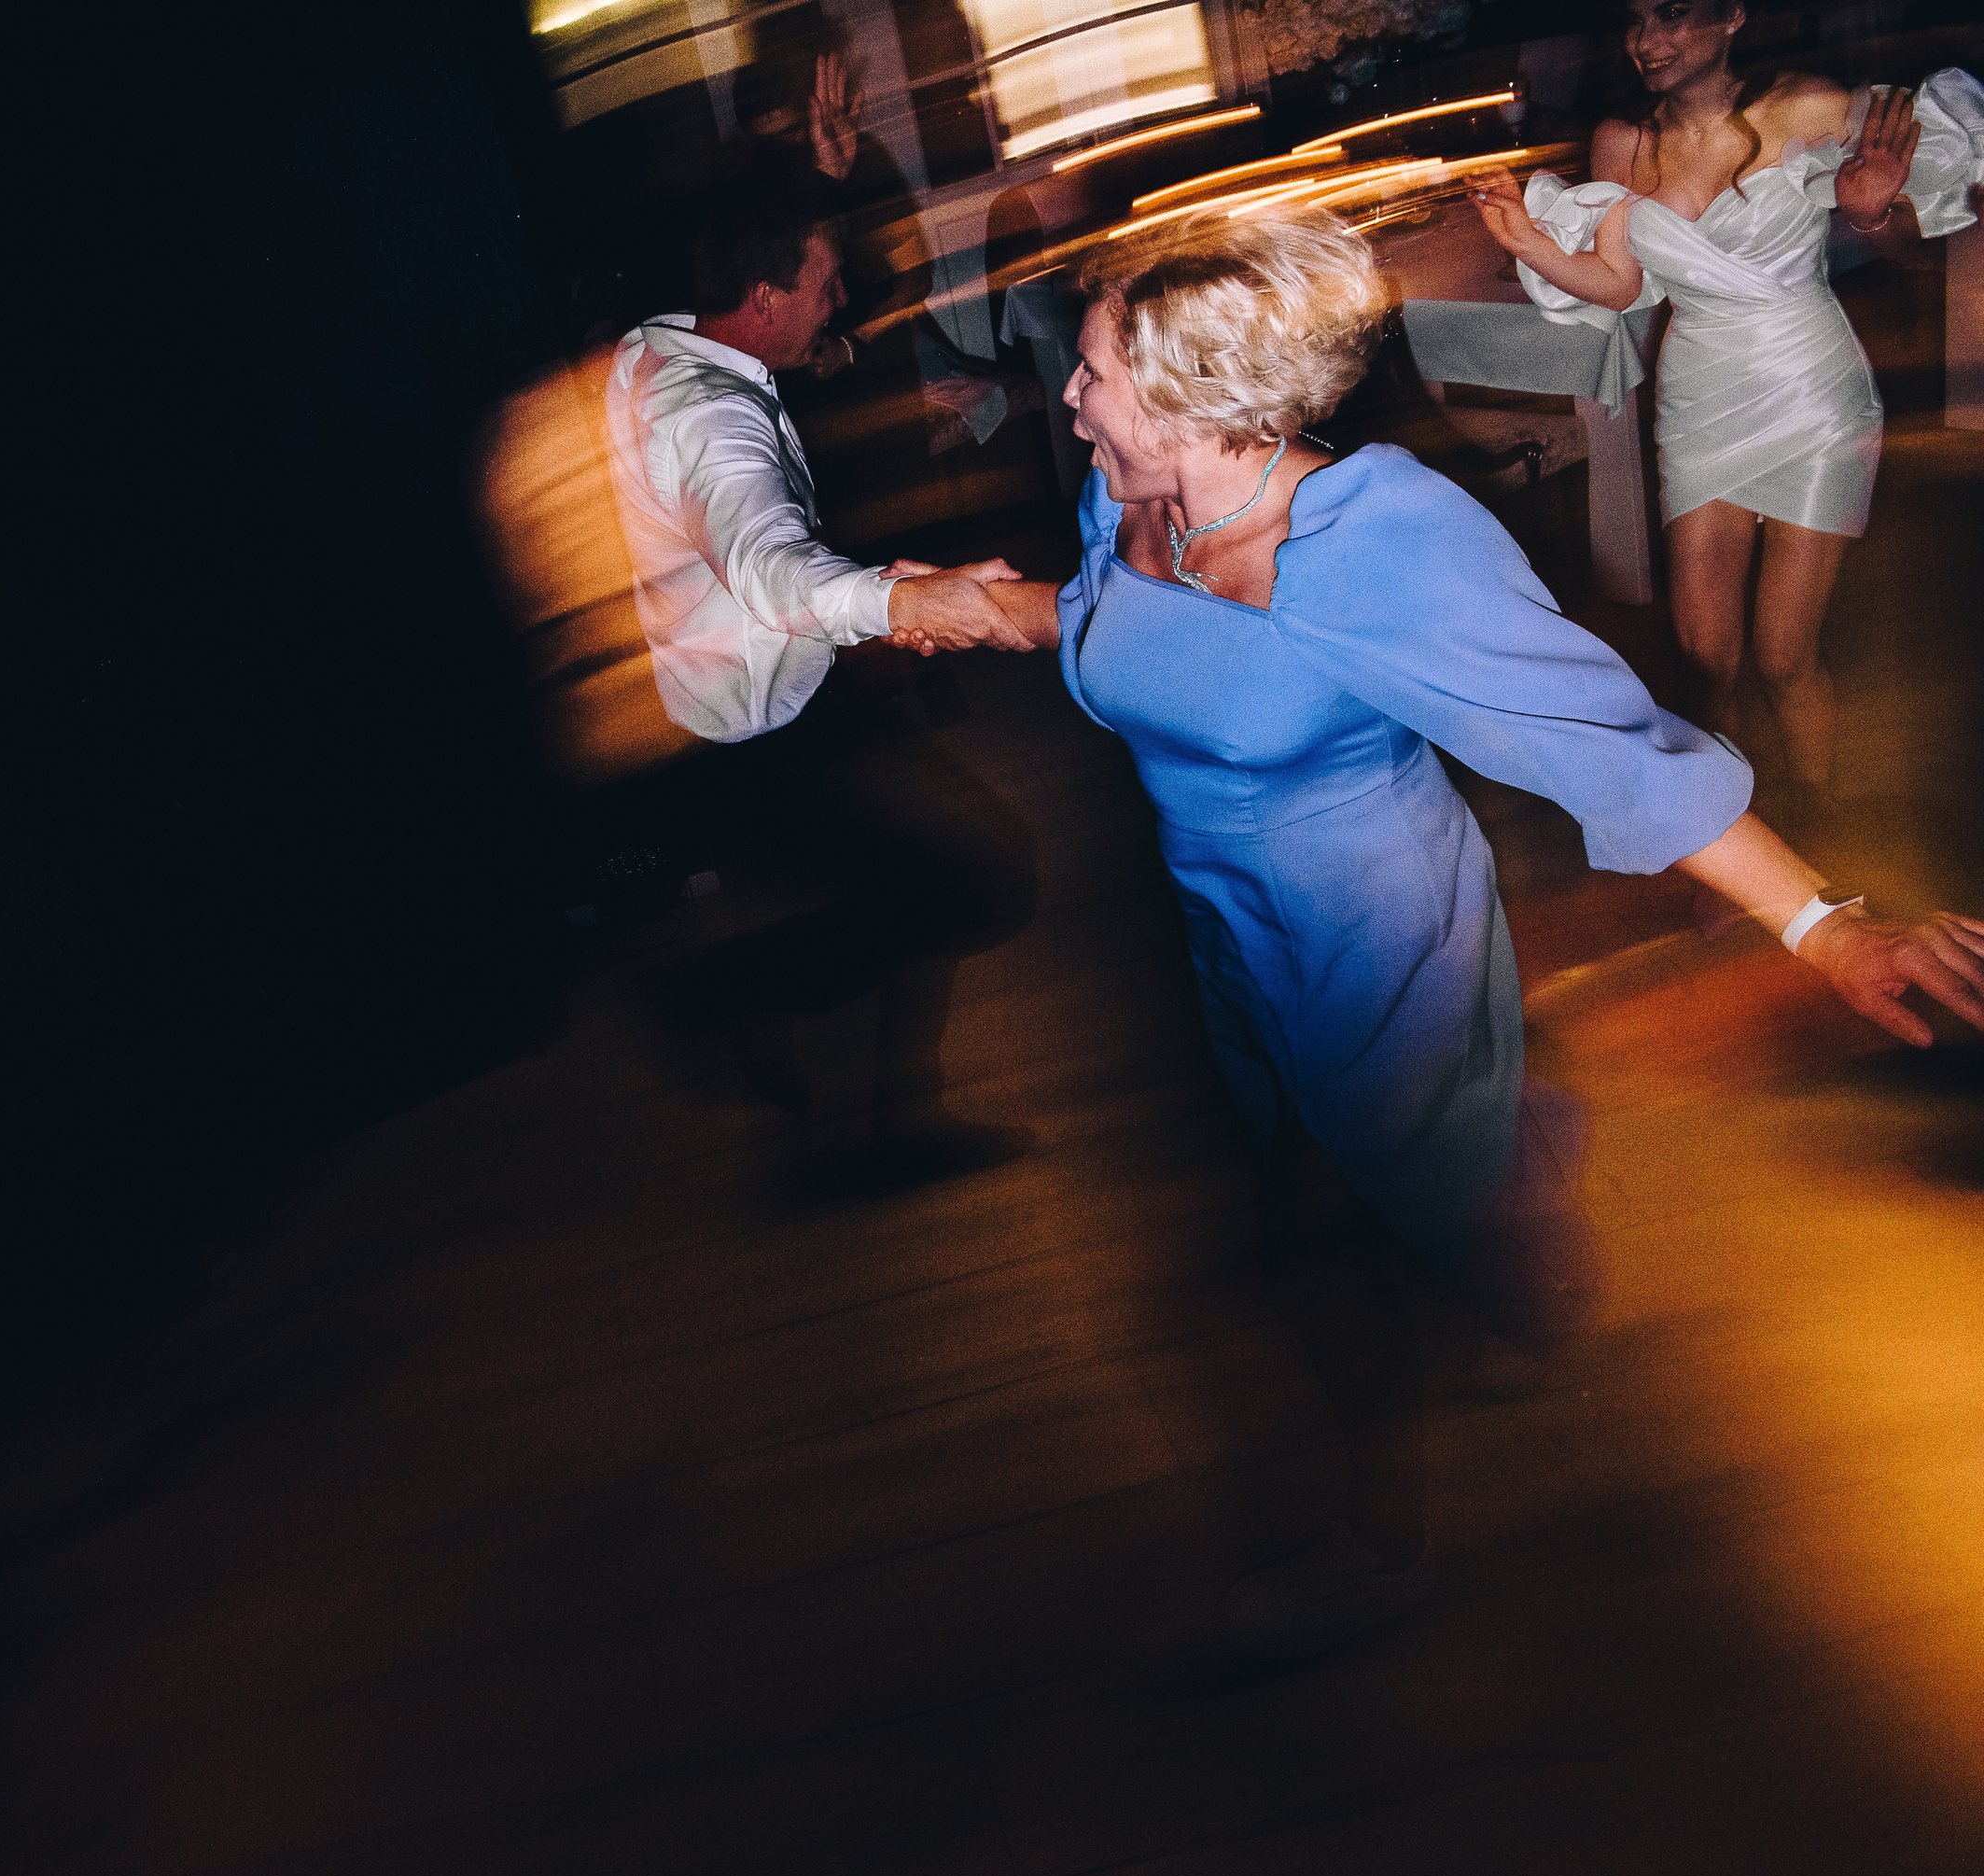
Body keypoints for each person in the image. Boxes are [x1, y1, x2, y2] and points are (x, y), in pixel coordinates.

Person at [888, 206, 1984, 1656]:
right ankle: (1503, 1172)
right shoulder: (1123, 491)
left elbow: (1611, 746)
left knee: (1298, 1242)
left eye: (1095, 370)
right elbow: (1103, 629)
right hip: (1226, 925)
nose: (1070, 393)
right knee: (1362, 1170)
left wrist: (1827, 927)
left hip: (1379, 923)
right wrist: (972, 604)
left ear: (1207, 400)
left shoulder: (1379, 544)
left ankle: (1378, 1543)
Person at [604, 167, 1041, 1185]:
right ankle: (724, 998)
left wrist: (829, 334)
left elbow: (741, 515)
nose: (837, 303)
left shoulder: (659, 347)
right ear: (764, 297)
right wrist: (904, 602)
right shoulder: (716, 419)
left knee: (923, 882)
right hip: (749, 734)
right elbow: (768, 567)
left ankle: (887, 1113)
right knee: (962, 881)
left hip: (730, 699)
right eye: (825, 285)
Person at [1470, 10, 1984, 813]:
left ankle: (1818, 819)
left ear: (1732, 14)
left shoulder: (1809, 106)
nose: (1646, 39)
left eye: (1672, 11)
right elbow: (1625, 286)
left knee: (1784, 654)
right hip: (1701, 394)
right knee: (1705, 658)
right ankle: (1730, 825)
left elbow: (1916, 249)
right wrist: (1531, 243)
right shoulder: (1623, 142)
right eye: (1634, 20)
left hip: (1812, 389)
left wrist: (1868, 211)